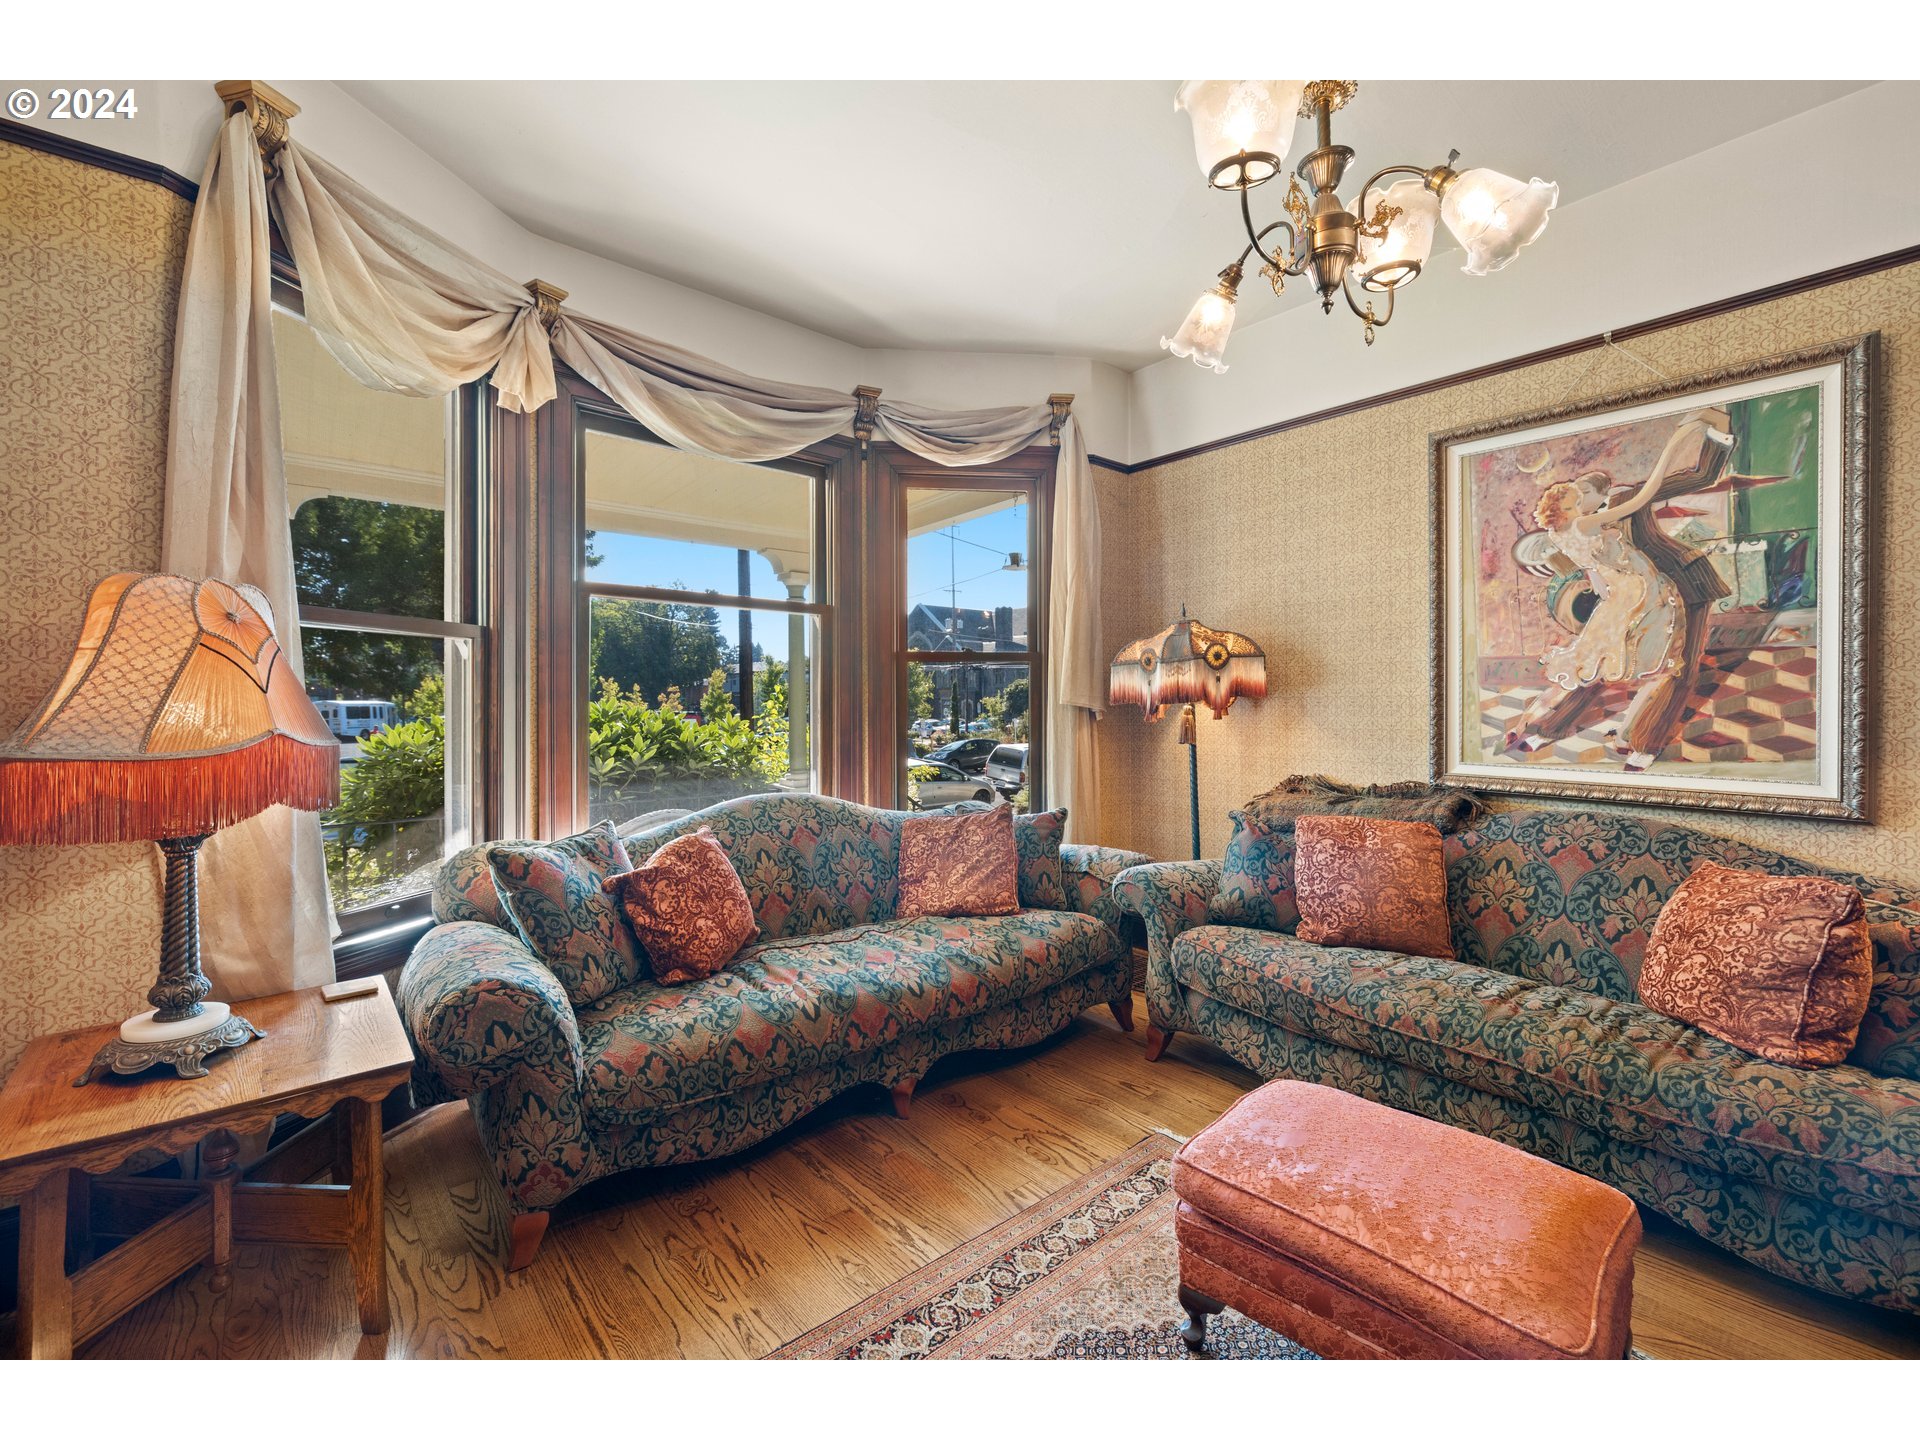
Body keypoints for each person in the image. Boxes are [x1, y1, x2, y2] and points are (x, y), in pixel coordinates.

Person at [1505, 411, 1734, 771]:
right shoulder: (1576, 525)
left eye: (1582, 494)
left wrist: (1717, 429)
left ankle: (1645, 742)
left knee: (1678, 668)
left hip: (1685, 581)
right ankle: (1550, 728)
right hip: (1630, 599)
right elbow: (1589, 566)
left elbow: (1701, 476)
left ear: (1602, 494)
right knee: (1596, 662)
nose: (1576, 501)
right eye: (1572, 496)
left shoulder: (1628, 497)